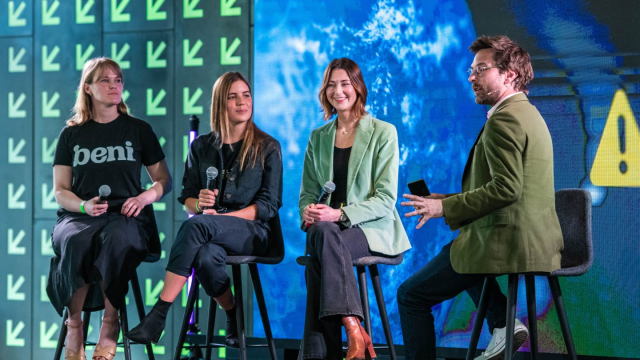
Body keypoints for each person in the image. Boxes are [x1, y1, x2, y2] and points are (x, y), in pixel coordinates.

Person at [397, 35, 564, 360]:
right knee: (462, 246)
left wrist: (443, 207)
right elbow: (514, 188)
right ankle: (502, 321)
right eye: (471, 70)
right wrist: (444, 201)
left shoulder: (505, 120)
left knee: (409, 296)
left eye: (480, 69)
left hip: (513, 242)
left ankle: (502, 321)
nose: (471, 77)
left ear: (509, 74)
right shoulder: (526, 113)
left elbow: (506, 189)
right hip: (530, 236)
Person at [125, 72, 283, 346]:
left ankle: (159, 315)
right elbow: (186, 198)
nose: (242, 102)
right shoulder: (200, 147)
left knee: (197, 226)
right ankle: (233, 313)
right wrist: (199, 204)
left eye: (246, 95)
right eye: (233, 97)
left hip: (255, 232)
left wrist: (219, 218)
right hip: (210, 234)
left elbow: (268, 206)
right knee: (206, 257)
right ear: (220, 104)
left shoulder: (267, 147)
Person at [47, 57, 172, 360]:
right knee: (75, 240)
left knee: (116, 239)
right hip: (81, 215)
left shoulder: (139, 130)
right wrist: (82, 205)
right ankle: (74, 325)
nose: (114, 85)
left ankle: (110, 323)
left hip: (125, 215)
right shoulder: (71, 135)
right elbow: (60, 191)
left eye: (117, 79)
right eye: (105, 80)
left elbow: (164, 181)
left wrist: (143, 198)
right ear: (88, 88)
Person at [299, 58, 411, 360]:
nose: (338, 91)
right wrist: (308, 211)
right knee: (322, 232)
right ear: (325, 91)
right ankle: (354, 328)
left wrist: (339, 215)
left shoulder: (383, 132)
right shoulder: (317, 137)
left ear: (358, 87)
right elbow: (307, 192)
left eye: (345, 83)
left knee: (318, 260)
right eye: (332, 85)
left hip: (370, 228)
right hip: (325, 229)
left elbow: (386, 198)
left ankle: (324, 350)